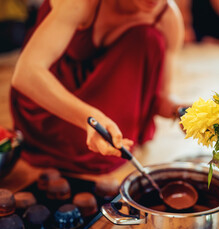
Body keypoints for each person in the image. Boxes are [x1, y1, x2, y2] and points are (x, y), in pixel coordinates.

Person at [10, 0, 186, 174]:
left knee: (148, 38)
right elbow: (26, 74)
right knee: (95, 147)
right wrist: (89, 117)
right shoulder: (81, 3)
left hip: (104, 93)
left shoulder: (166, 17)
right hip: (52, 98)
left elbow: (160, 97)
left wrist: (181, 111)